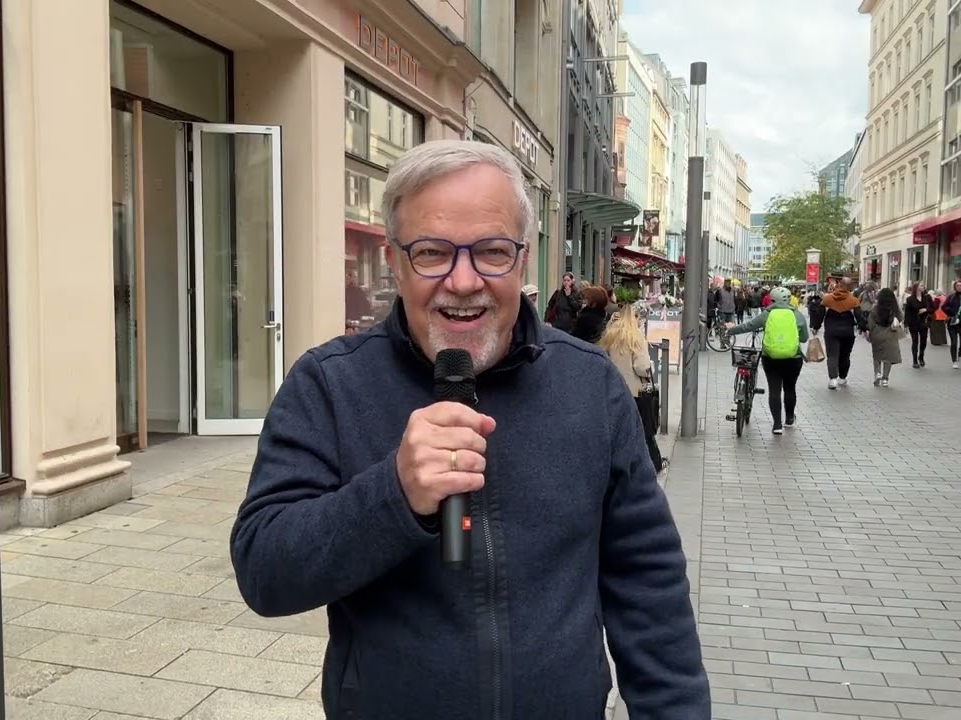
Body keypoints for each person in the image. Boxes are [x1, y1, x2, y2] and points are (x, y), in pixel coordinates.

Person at [229, 139, 709, 718]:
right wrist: (393, 495)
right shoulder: (329, 385)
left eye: (491, 251)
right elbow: (265, 572)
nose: (463, 280)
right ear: (394, 262)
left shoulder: (591, 387)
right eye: (431, 252)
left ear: (524, 260)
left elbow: (649, 586)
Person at [726, 286, 808, 434]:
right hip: (793, 358)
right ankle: (789, 418)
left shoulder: (767, 314)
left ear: (771, 299)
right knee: (790, 388)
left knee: (774, 390)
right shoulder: (797, 315)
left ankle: (777, 425)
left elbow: (748, 326)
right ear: (789, 299)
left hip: (771, 358)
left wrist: (730, 330)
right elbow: (804, 338)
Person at [599, 303, 664, 471]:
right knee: (642, 430)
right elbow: (641, 366)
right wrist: (650, 366)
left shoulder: (610, 335)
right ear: (635, 318)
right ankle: (652, 464)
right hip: (635, 391)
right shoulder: (636, 337)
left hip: (613, 389)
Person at [811, 277, 867, 389]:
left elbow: (820, 315)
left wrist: (816, 327)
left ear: (839, 285)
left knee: (832, 355)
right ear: (850, 287)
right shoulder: (853, 301)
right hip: (848, 333)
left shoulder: (827, 299)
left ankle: (833, 379)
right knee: (845, 356)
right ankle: (842, 377)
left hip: (831, 332)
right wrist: (864, 329)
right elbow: (859, 317)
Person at [866, 287, 904, 387]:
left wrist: (870, 332)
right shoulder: (895, 309)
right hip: (891, 334)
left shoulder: (875, 308)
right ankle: (885, 379)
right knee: (888, 358)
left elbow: (870, 323)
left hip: (877, 334)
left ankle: (877, 373)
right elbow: (901, 318)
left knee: (877, 356)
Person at [903, 282, 931, 368]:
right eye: (921, 286)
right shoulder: (910, 299)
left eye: (923, 285)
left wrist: (926, 309)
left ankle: (921, 356)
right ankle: (915, 360)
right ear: (917, 288)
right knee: (915, 341)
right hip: (913, 322)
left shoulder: (927, 298)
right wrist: (906, 324)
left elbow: (933, 308)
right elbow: (907, 312)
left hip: (923, 322)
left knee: (923, 342)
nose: (923, 287)